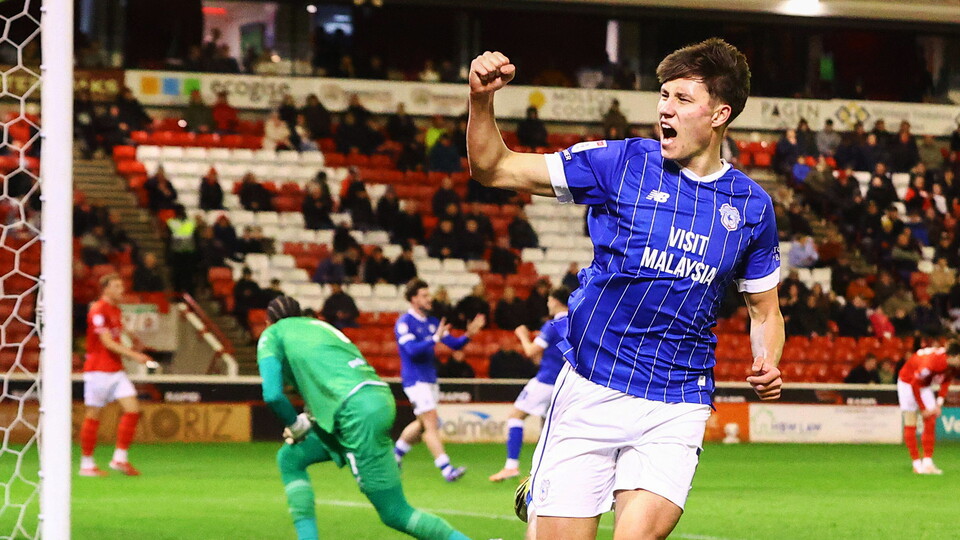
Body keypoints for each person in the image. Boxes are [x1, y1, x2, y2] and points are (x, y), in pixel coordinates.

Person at [467, 40, 783, 539]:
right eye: (663, 95)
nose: (665, 107)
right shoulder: (620, 163)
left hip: (677, 400)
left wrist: (767, 360)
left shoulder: (751, 206)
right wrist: (481, 100)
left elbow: (765, 311)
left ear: (720, 113)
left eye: (682, 98)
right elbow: (493, 167)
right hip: (591, 386)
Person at [256, 296, 470, 540]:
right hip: (376, 398)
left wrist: (295, 425)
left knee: (395, 513)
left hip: (353, 414)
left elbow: (272, 395)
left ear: (268, 321)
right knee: (290, 458)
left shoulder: (272, 334)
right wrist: (307, 421)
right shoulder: (322, 327)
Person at [392, 279, 485, 482]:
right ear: (414, 299)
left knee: (422, 424)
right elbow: (411, 351)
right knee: (431, 422)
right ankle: (446, 468)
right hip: (415, 380)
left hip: (430, 379)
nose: (429, 299)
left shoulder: (433, 322)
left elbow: (454, 343)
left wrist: (469, 334)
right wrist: (434, 339)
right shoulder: (404, 323)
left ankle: (395, 455)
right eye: (424, 295)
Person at [79, 274, 158, 477]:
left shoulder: (115, 310)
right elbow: (107, 342)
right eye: (116, 286)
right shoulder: (98, 310)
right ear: (105, 289)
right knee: (94, 415)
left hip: (116, 369)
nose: (121, 289)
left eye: (122, 285)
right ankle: (87, 464)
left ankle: (119, 459)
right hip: (98, 370)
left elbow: (119, 330)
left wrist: (133, 338)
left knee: (133, 409)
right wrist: (136, 355)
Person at [490, 287, 570, 482]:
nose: (548, 304)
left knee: (515, 417)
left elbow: (531, 351)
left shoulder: (553, 324)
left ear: (556, 301)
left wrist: (522, 335)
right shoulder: (577, 323)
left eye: (549, 300)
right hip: (564, 383)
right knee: (550, 428)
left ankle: (511, 466)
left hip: (546, 380)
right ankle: (548, 472)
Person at [898, 342, 959, 475]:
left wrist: (939, 403)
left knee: (931, 419)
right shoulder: (931, 364)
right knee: (911, 421)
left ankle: (927, 462)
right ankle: (916, 463)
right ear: (953, 356)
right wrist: (923, 408)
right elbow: (914, 383)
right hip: (907, 382)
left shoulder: (952, 363)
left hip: (924, 384)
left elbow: (947, 380)